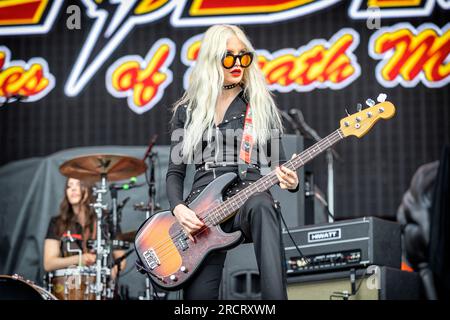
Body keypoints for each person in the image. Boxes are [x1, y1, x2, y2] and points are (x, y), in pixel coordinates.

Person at [166, 24, 299, 300]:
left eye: (244, 56)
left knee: (263, 204)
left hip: (244, 201)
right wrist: (179, 209)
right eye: (229, 56)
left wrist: (291, 180)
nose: (238, 63)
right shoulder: (187, 112)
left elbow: (281, 164)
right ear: (212, 58)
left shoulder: (258, 105)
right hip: (201, 214)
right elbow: (175, 173)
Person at [43, 177, 127, 287]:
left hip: (100, 286)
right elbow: (48, 263)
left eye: (78, 184)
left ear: (89, 189)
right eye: (69, 186)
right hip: (67, 286)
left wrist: (112, 272)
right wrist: (80, 259)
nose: (73, 189)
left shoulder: (106, 220)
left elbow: (122, 260)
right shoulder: (57, 222)